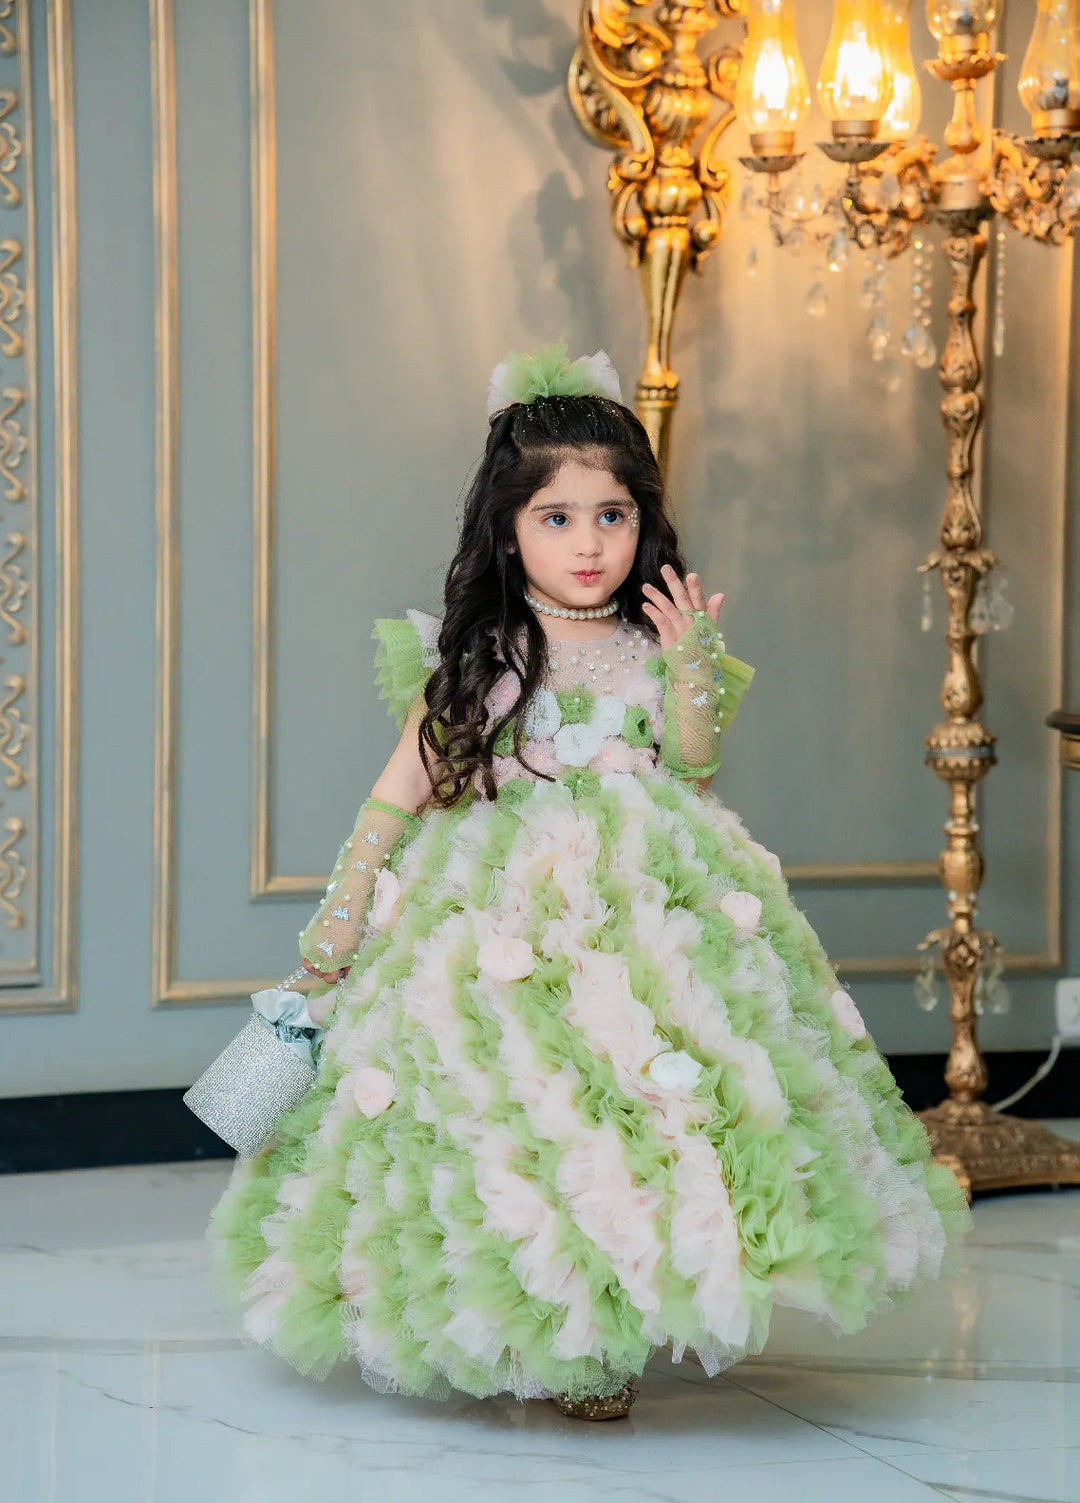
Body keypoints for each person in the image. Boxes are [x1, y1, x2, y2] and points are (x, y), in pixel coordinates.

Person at [206, 341, 973, 1422]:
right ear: (508, 529)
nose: (588, 543)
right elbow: (401, 788)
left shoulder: (655, 642)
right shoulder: (484, 652)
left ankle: (621, 1308)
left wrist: (693, 666)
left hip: (644, 899)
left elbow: (692, 766)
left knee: (648, 1098)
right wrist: (342, 915)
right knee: (512, 1101)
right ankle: (556, 1325)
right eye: (557, 517)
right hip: (498, 903)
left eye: (612, 515)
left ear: (641, 522)